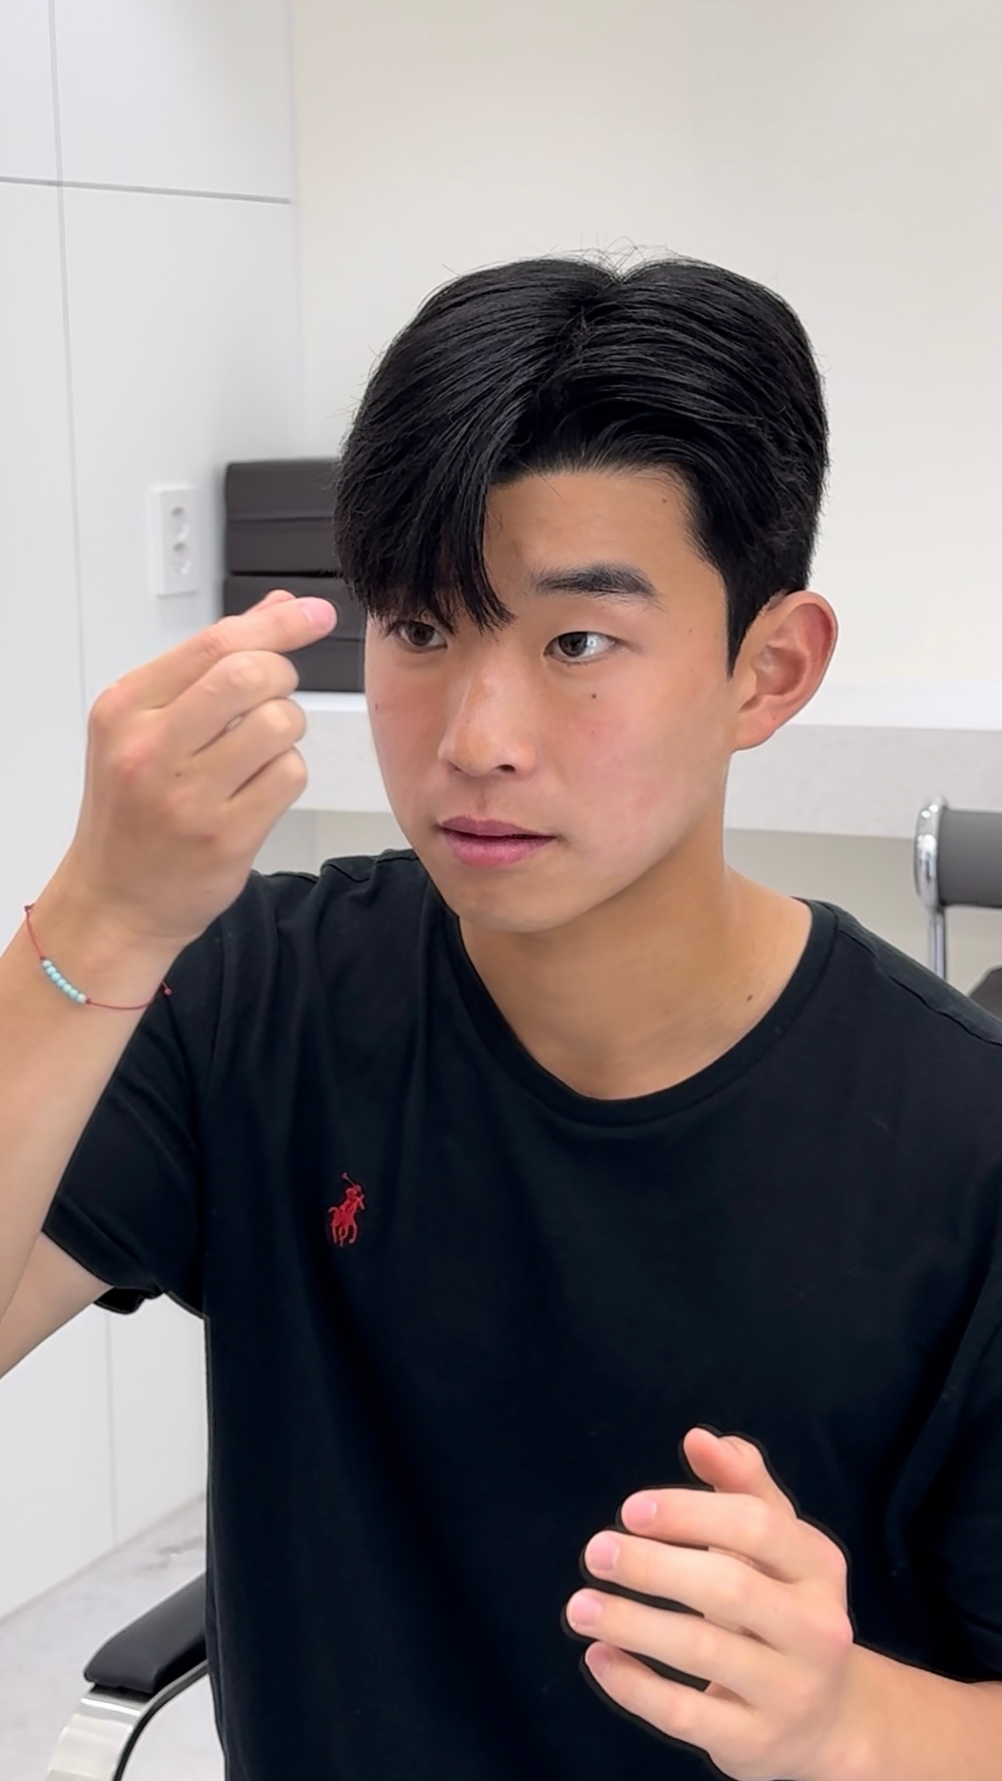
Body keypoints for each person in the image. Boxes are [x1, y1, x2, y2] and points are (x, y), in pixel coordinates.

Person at [2, 253, 1002, 1781]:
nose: (475, 738)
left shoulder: (959, 1149)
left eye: (575, 643)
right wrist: (101, 919)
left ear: (767, 668)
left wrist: (847, 1719)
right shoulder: (256, 995)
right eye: (419, 630)